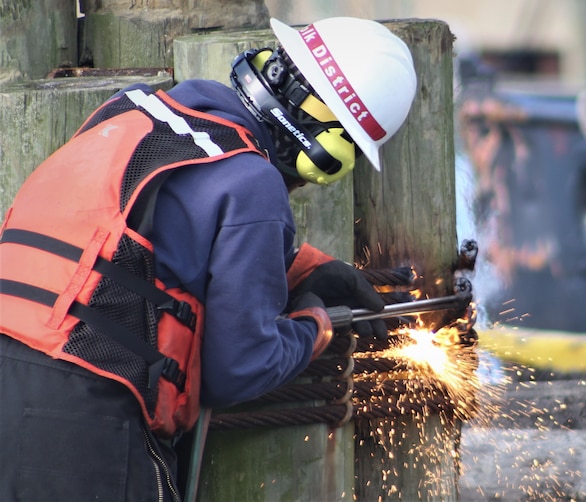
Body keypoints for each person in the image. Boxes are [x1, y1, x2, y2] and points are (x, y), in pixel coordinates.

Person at [0, 16, 417, 501]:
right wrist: (314, 324)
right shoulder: (252, 181)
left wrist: (301, 268)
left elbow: (134, 249)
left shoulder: (129, 110)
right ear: (329, 149)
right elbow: (240, 367)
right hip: (86, 424)